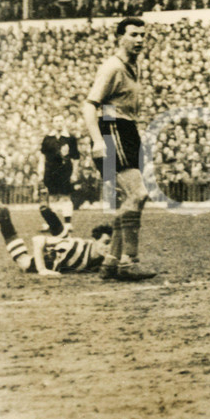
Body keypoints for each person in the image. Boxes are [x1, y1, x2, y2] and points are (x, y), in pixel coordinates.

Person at [81, 17, 157, 281]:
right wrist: (99, 140)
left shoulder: (133, 66)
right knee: (138, 194)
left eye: (142, 36)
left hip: (127, 130)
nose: (139, 40)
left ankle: (111, 262)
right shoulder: (112, 67)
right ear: (119, 37)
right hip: (112, 130)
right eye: (134, 35)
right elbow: (90, 105)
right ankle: (128, 262)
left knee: (131, 198)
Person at [0, 202, 112, 276]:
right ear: (96, 240)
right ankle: (4, 220)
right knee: (24, 262)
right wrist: (42, 269)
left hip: (65, 252)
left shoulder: (103, 256)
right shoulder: (76, 248)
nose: (109, 247)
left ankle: (50, 216)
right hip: (50, 259)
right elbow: (38, 240)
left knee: (65, 238)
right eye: (106, 242)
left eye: (111, 243)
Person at [38, 113, 80, 232]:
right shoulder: (47, 138)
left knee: (65, 197)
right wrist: (41, 171)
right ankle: (52, 223)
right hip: (50, 171)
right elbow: (42, 156)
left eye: (61, 121)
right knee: (52, 198)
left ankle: (67, 224)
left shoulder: (70, 138)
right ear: (53, 123)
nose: (59, 123)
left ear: (64, 122)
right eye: (56, 121)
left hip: (65, 171)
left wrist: (74, 173)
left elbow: (76, 158)